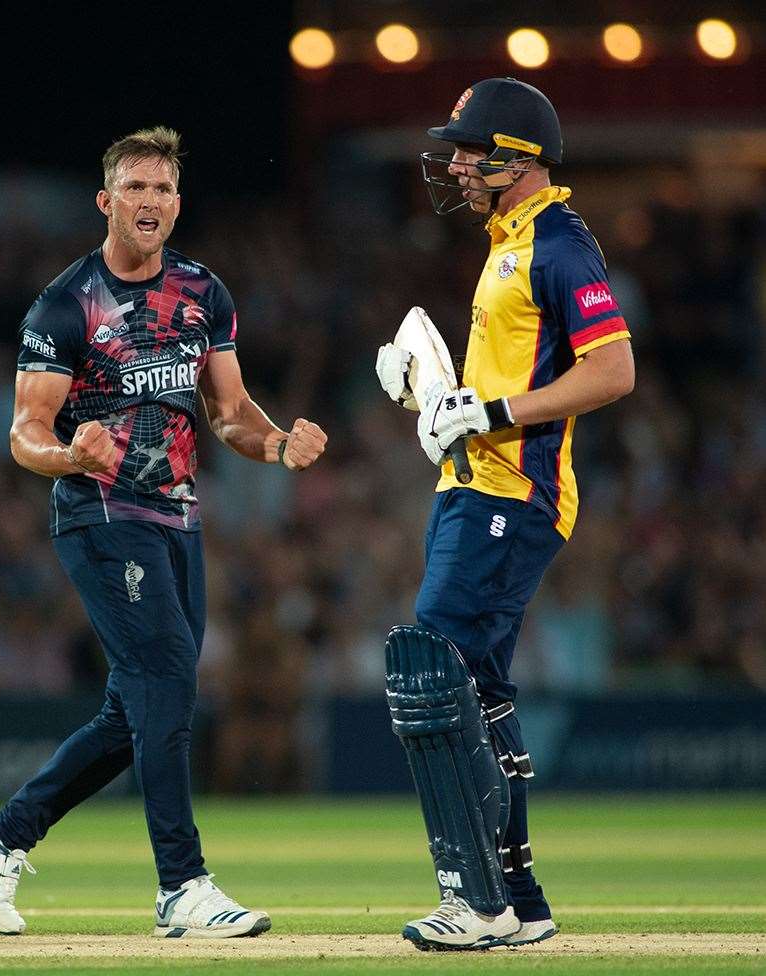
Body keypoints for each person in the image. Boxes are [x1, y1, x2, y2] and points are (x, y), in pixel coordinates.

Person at [0, 126, 327, 939]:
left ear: (177, 203)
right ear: (106, 201)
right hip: (102, 515)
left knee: (139, 709)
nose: (150, 202)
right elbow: (23, 432)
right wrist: (64, 454)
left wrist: (278, 445)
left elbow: (229, 413)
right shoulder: (65, 302)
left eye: (163, 189)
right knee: (166, 685)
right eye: (136, 188)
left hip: (179, 520)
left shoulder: (204, 292)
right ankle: (181, 886)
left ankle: (0, 836)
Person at [376, 77, 634, 951]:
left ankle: (475, 900)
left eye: (468, 147)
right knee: (478, 691)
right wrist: (433, 391)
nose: (454, 162)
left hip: (511, 492)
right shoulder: (511, 238)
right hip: (476, 485)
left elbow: (613, 372)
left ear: (515, 158)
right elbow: (514, 373)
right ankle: (519, 900)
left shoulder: (557, 241)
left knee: (433, 668)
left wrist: (489, 415)